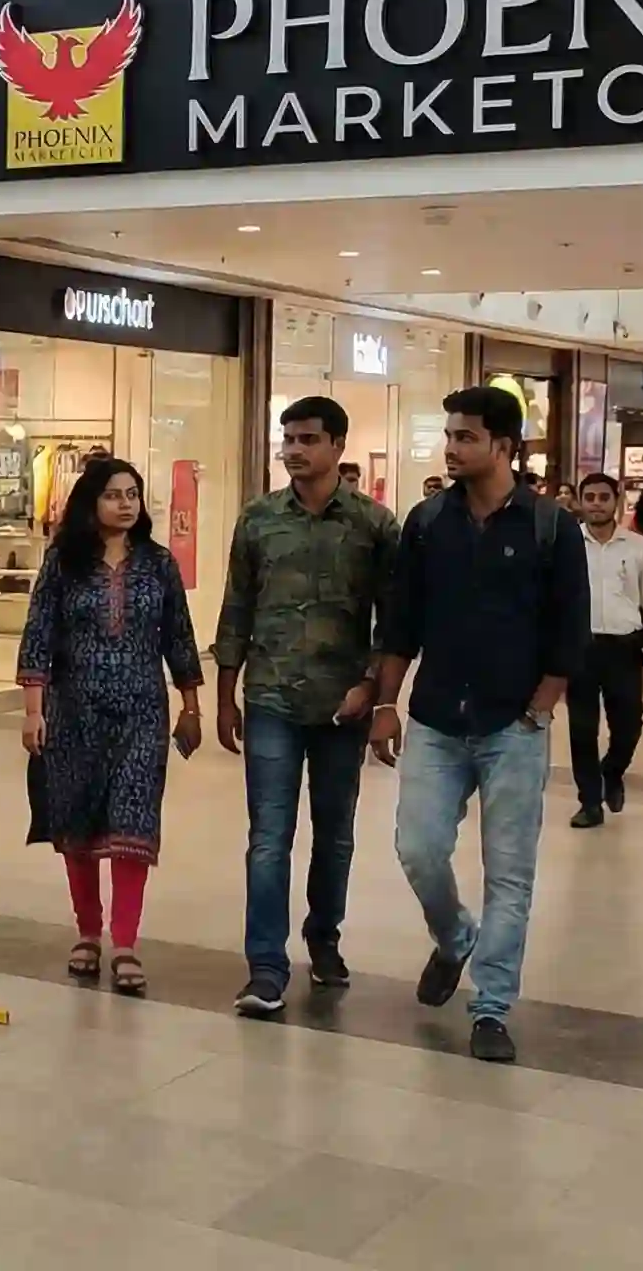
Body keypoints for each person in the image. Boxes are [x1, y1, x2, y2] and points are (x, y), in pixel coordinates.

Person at [371, 386, 588, 1064]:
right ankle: (454, 936)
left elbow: (571, 629)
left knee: (511, 873)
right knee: (418, 847)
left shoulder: (551, 527)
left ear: (504, 445)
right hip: (436, 716)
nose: (452, 447)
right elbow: (400, 620)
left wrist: (540, 707)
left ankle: (491, 1005)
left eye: (465, 436)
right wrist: (385, 702)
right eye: (450, 435)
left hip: (512, 726)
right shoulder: (428, 521)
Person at [215, 397, 398, 1017]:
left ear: (337, 446)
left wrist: (374, 688)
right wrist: (223, 694)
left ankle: (324, 939)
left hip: (341, 705)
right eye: (288, 439)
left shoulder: (374, 525)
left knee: (335, 836)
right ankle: (266, 967)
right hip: (269, 697)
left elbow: (394, 620)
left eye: (308, 439)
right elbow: (236, 606)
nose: (294, 450)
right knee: (268, 837)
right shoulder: (259, 520)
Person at [20, 457, 203, 997]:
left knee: (133, 826)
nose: (126, 504)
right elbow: (38, 635)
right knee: (78, 823)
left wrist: (191, 704)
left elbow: (180, 636)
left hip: (143, 713)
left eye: (133, 494)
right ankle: (86, 932)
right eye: (113, 495)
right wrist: (34, 711)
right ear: (90, 502)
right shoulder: (63, 563)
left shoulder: (159, 565)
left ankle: (125, 941)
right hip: (72, 712)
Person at [567, 473, 643, 828]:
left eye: (604, 497)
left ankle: (611, 771)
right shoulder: (568, 543)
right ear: (580, 501)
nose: (596, 504)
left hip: (624, 647)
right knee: (582, 728)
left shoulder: (637, 547)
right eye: (589, 497)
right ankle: (589, 801)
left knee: (629, 724)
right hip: (579, 646)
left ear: (616, 500)